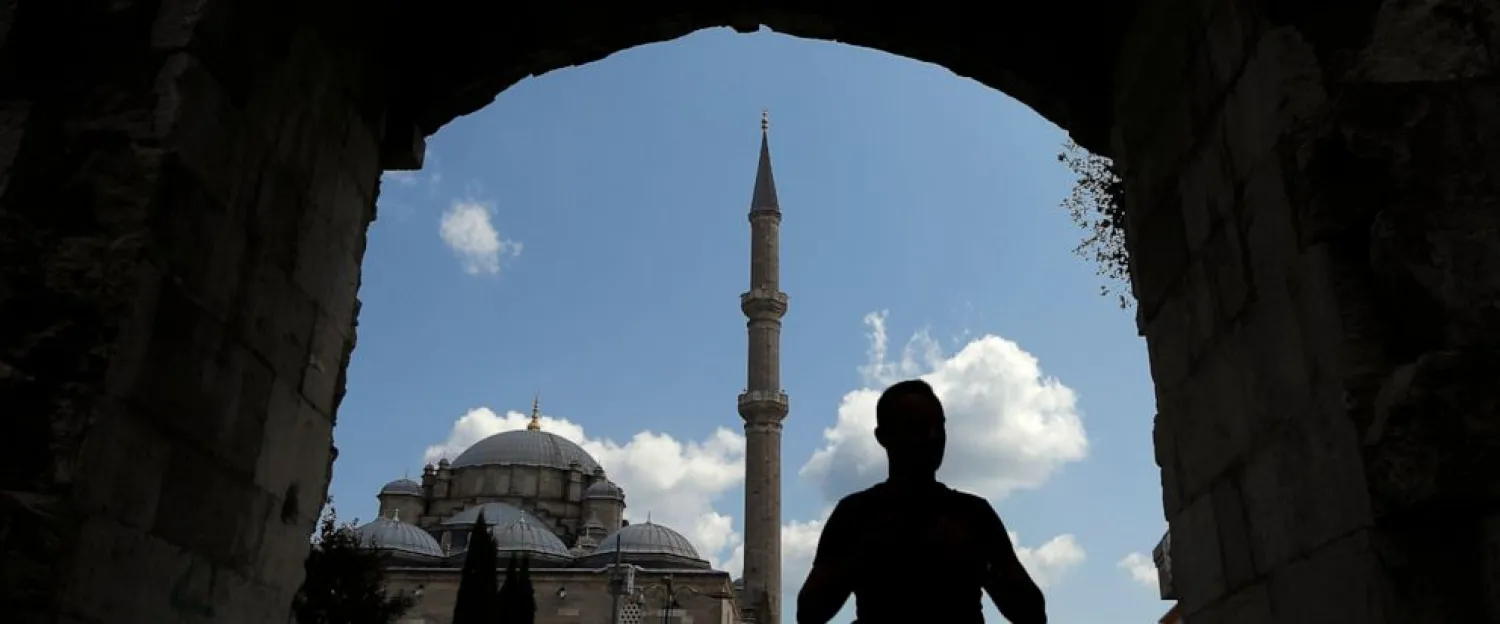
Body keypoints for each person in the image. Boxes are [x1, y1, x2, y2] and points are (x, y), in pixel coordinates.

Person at [796, 379, 1048, 624]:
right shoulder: (856, 516)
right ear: (883, 436)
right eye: (913, 426)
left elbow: (1030, 610)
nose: (932, 436)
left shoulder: (973, 516)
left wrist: (984, 562)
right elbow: (810, 610)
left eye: (938, 426)